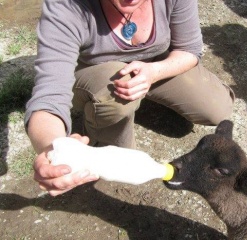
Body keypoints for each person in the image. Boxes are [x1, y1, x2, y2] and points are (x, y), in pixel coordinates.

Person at [25, 0, 235, 196]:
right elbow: (49, 98)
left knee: (218, 109)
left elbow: (189, 50)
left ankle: (139, 96)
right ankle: (100, 125)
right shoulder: (66, 6)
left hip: (153, 65)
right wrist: (52, 149)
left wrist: (154, 72)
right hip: (95, 73)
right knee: (114, 108)